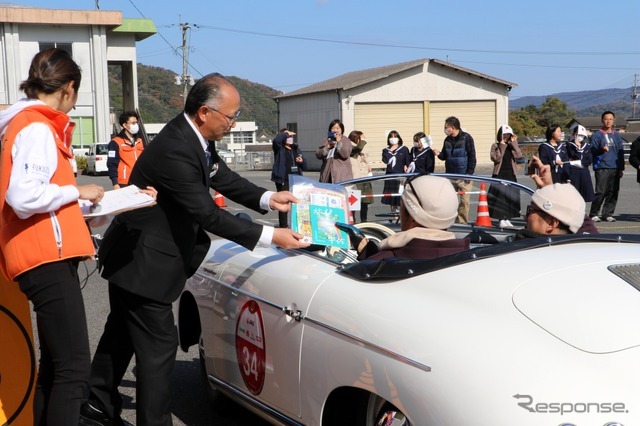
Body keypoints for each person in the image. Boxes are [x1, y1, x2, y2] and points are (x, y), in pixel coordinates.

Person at [80, 73, 308, 426]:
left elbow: (221, 175)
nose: (233, 124)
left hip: (137, 257)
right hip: (144, 262)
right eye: (230, 116)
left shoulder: (195, 138)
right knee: (158, 349)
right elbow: (207, 214)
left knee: (122, 334)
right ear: (205, 112)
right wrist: (271, 237)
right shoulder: (175, 148)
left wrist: (266, 197)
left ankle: (96, 405)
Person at [0, 48, 106, 424]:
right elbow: (24, 196)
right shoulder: (38, 126)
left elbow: (38, 199)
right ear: (69, 89)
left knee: (56, 366)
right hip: (46, 258)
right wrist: (78, 191)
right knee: (74, 369)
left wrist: (82, 209)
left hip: (37, 254)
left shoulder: (24, 122)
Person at [358, 175, 470, 260]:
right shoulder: (467, 257)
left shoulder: (385, 261)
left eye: (402, 205)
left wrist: (366, 254)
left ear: (412, 217)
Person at [434, 116, 477, 224]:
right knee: (449, 201)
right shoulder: (447, 140)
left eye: (446, 127)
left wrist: (469, 173)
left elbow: (472, 156)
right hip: (450, 175)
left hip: (464, 176)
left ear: (452, 127)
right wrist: (438, 154)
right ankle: (449, 221)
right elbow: (445, 156)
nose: (445, 129)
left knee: (464, 201)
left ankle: (462, 222)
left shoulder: (466, 138)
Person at [589, 111, 625, 222]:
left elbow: (620, 152)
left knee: (613, 192)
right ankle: (594, 213)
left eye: (610, 119)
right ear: (602, 120)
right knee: (601, 191)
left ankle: (607, 213)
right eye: (606, 119)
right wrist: (601, 150)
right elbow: (592, 151)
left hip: (614, 167)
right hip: (602, 166)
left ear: (613, 121)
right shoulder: (597, 135)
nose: (608, 121)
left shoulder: (617, 135)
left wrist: (621, 167)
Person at [488, 124, 523, 228]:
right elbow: (496, 158)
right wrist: (502, 146)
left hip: (511, 173)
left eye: (508, 134)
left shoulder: (512, 145)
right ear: (500, 134)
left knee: (510, 197)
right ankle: (501, 219)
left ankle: (508, 218)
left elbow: (519, 155)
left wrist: (514, 143)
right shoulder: (495, 145)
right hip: (499, 173)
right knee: (500, 197)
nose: (506, 136)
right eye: (504, 134)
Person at [519, 183, 586, 237]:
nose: (525, 218)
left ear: (551, 223)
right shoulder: (579, 250)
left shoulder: (526, 251)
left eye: (530, 210)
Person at [271, 128, 307, 228]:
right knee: (283, 204)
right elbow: (276, 141)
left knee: (298, 203)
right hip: (284, 180)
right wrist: (285, 133)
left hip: (296, 180)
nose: (290, 138)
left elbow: (305, 165)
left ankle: (299, 225)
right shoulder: (279, 148)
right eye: (287, 136)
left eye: (291, 136)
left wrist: (301, 161)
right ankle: (283, 226)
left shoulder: (296, 149)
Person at [107, 111, 145, 188]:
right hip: (124, 182)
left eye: (136, 123)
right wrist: (115, 183)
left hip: (141, 181)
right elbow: (111, 164)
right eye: (133, 123)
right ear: (124, 125)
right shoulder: (115, 142)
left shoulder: (141, 140)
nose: (136, 125)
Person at [381, 130, 410, 214]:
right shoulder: (385, 150)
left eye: (395, 137)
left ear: (399, 138)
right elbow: (386, 160)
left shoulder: (404, 149)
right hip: (390, 175)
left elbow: (407, 160)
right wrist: (391, 150)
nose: (393, 139)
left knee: (400, 195)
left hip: (400, 175)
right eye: (391, 137)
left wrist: (406, 165)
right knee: (391, 196)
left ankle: (401, 213)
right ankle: (393, 213)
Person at [348, 130, 373, 223]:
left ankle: (364, 221)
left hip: (364, 177)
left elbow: (365, 158)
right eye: (362, 138)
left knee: (365, 202)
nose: (364, 140)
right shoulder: (350, 147)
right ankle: (353, 221)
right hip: (355, 178)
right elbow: (358, 149)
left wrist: (368, 165)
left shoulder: (363, 149)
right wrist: (362, 141)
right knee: (354, 202)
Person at [316, 119, 352, 183]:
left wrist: (339, 143)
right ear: (330, 130)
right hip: (327, 175)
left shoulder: (346, 140)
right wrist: (327, 147)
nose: (335, 130)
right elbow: (318, 154)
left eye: (338, 128)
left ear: (342, 130)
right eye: (333, 128)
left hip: (342, 177)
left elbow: (345, 155)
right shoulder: (326, 140)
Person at [566, 124, 594, 202]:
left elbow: (589, 160)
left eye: (582, 135)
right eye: (578, 134)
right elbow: (572, 156)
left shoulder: (587, 146)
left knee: (584, 196)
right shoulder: (569, 145)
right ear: (574, 134)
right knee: (573, 195)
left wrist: (579, 161)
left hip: (584, 172)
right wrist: (578, 149)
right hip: (573, 172)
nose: (580, 137)